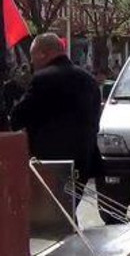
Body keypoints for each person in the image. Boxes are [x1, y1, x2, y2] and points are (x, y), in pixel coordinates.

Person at [10, 33, 102, 210]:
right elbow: (95, 122)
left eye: (33, 56)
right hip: (84, 161)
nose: (31, 62)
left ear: (44, 54)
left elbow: (18, 116)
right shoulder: (89, 81)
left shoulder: (43, 79)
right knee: (68, 212)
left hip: (52, 163)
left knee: (53, 217)